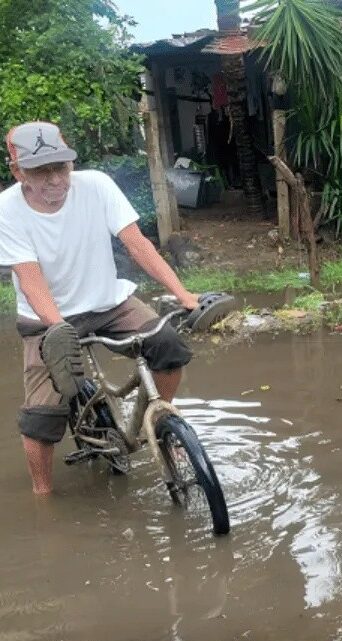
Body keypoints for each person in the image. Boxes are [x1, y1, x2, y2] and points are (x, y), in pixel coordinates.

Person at [0, 121, 201, 496]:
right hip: (45, 319)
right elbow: (30, 278)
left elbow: (136, 244)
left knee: (169, 346)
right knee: (41, 418)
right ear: (18, 172)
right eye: (40, 171)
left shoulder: (97, 186)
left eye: (60, 167)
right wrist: (58, 329)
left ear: (71, 164)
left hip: (108, 302)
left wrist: (183, 294)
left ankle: (158, 422)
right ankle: (41, 495)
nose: (54, 180)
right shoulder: (7, 210)